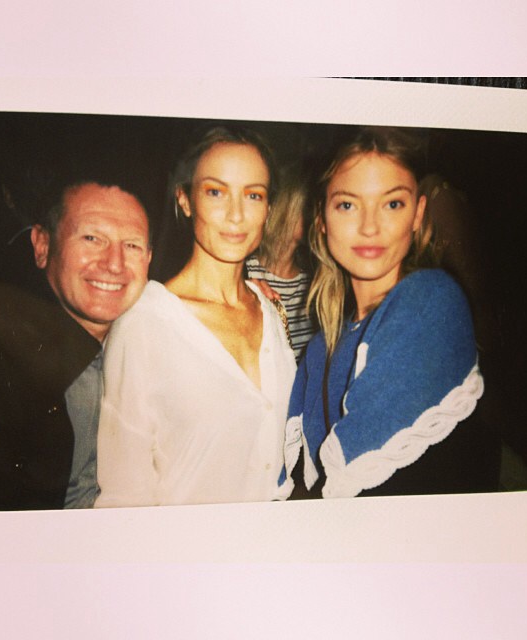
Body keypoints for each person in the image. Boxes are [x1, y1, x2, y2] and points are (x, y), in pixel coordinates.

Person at [279, 127, 499, 500]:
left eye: (392, 204)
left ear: (418, 214)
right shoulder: (320, 348)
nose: (370, 227)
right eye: (347, 205)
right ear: (321, 219)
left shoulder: (429, 302)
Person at [95, 127, 297, 508]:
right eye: (215, 192)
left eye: (253, 195)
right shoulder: (144, 324)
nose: (236, 215)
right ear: (185, 200)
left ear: (269, 208)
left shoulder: (271, 311)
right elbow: (124, 493)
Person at [0, 180, 152, 510]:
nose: (114, 263)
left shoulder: (149, 346)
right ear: (42, 245)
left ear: (149, 259)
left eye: (132, 246)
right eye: (92, 238)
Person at [246, 170, 315, 361]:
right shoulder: (244, 272)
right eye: (308, 208)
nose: (318, 217)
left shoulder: (313, 283)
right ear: (286, 209)